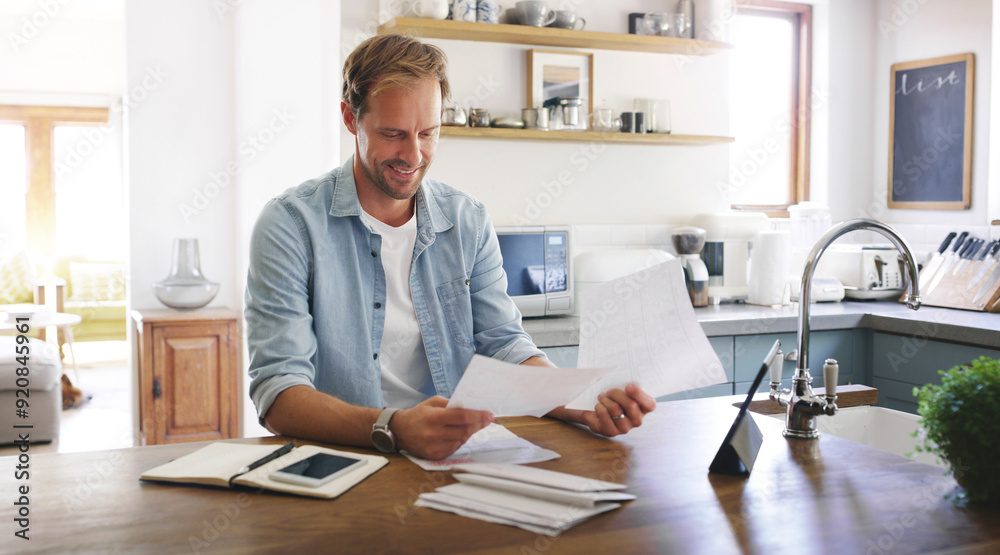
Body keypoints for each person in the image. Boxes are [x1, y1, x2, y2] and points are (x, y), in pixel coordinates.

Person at [245, 34, 656, 461]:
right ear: (350, 118)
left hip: (454, 459)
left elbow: (504, 345)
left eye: (429, 133)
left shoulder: (467, 220)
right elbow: (278, 393)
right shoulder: (290, 226)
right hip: (340, 463)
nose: (413, 154)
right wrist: (394, 428)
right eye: (392, 134)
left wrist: (583, 404)